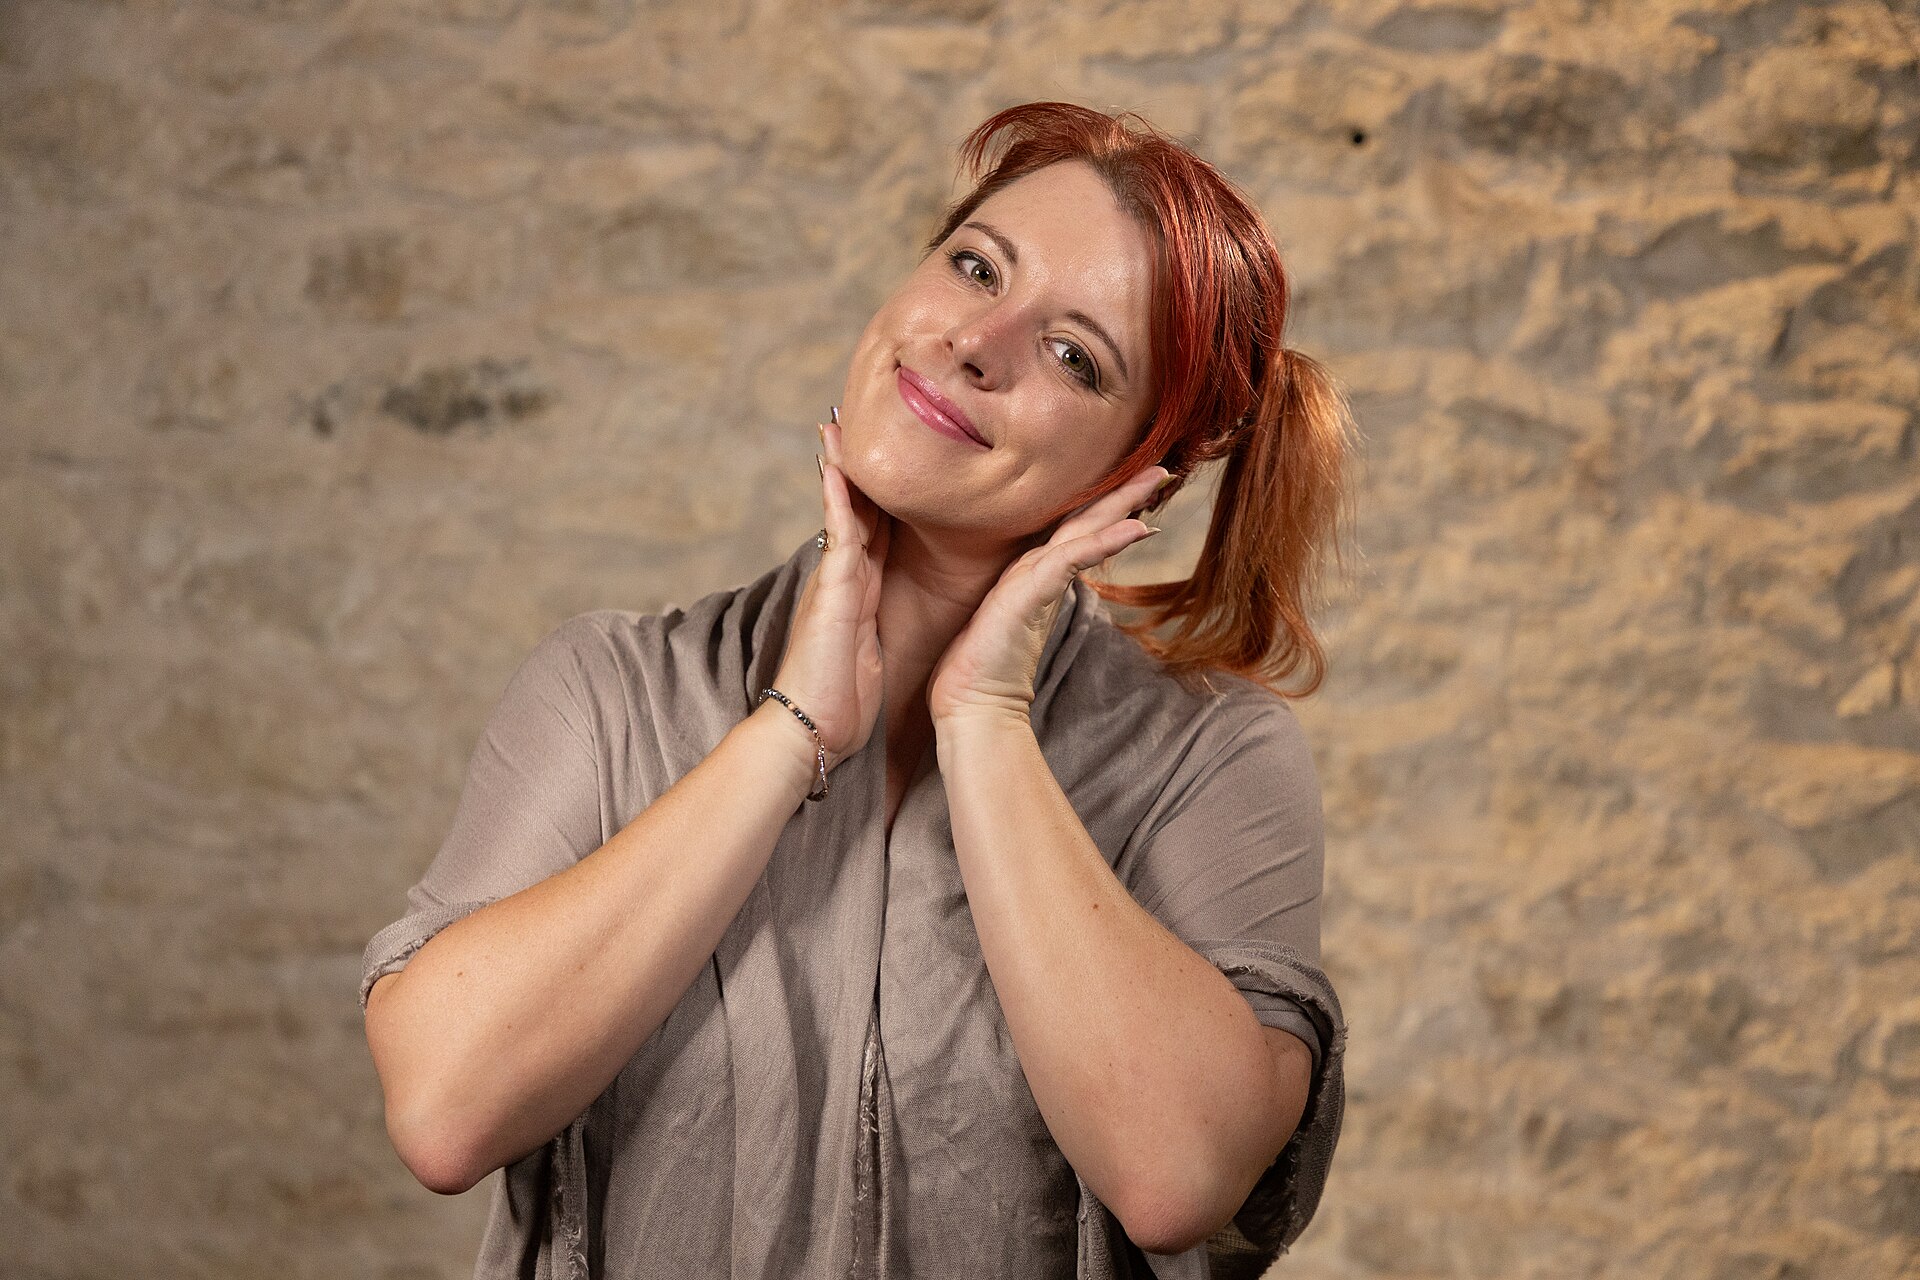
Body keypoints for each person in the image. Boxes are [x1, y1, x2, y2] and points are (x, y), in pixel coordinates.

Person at [359, 101, 1360, 1279]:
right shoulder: (609, 689)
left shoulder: (1210, 761)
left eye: (1075, 354)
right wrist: (788, 733)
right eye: (976, 266)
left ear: (1147, 468)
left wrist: (984, 719)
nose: (980, 339)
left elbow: (1177, 1175)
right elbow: (444, 1108)